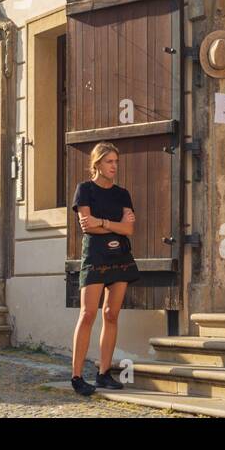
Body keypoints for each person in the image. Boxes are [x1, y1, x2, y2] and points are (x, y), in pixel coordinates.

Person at [69, 142, 140, 396]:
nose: (114, 166)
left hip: (119, 256)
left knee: (111, 314)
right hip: (95, 257)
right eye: (109, 161)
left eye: (116, 162)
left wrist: (103, 222)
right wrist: (115, 224)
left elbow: (129, 229)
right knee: (88, 314)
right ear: (97, 163)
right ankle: (77, 376)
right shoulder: (84, 190)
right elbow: (87, 226)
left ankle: (103, 374)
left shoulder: (122, 194)